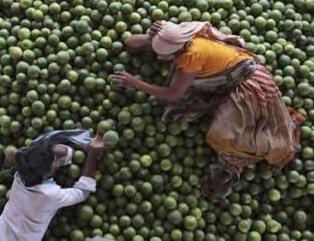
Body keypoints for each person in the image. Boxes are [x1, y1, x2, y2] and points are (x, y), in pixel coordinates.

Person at [111, 20, 305, 200]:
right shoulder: (183, 33)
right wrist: (151, 36)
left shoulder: (191, 56)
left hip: (247, 85)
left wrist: (135, 83)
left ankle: (238, 162)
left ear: (175, 53)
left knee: (221, 135)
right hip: (232, 75)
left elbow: (173, 94)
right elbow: (130, 42)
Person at [0, 133, 107, 241]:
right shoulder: (48, 195)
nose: (56, 162)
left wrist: (41, 151)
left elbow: (65, 153)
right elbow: (82, 192)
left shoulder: (20, 175)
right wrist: (93, 152)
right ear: (45, 174)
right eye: (54, 163)